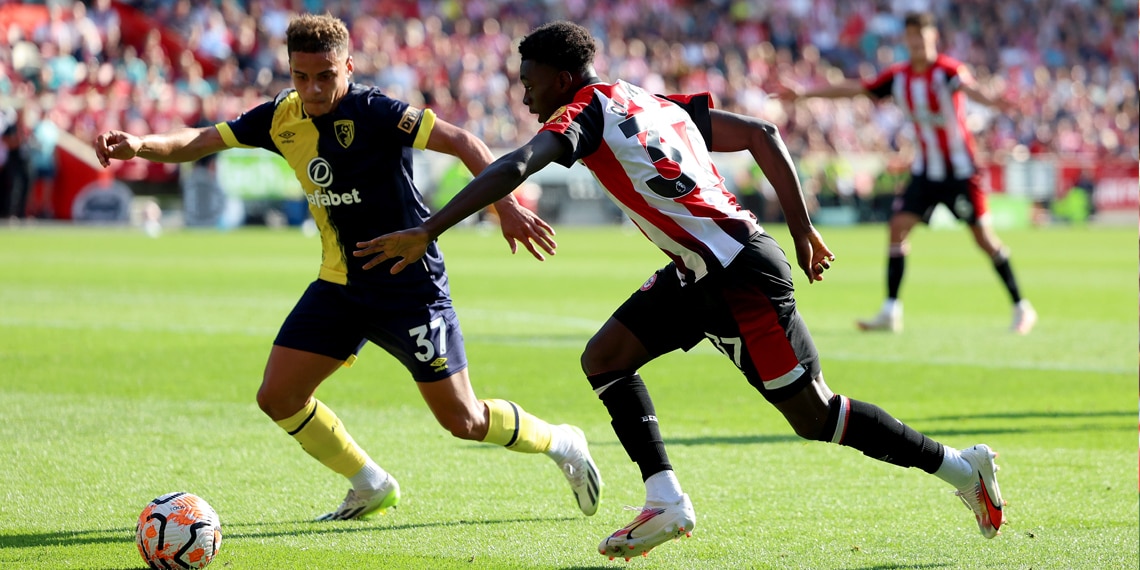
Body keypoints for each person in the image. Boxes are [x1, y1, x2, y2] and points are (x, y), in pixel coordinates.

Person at [355, 20, 1006, 560]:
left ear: (559, 79)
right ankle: (665, 499)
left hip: (740, 275)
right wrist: (802, 232)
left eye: (529, 85)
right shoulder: (645, 99)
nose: (525, 98)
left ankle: (961, 466)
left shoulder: (583, 112)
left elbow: (518, 162)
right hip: (700, 272)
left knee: (815, 416)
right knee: (605, 359)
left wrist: (430, 228)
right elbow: (761, 135)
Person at [93, 14, 601, 522]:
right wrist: (141, 145)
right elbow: (203, 140)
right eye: (301, 76)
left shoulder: (375, 110)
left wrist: (506, 208)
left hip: (409, 283)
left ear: (349, 68)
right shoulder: (280, 117)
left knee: (464, 420)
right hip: (340, 284)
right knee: (278, 396)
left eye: (325, 76)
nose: (313, 89)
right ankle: (370, 483)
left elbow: (465, 142)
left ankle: (562, 443)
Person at [779, 11, 1037, 334]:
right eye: (911, 36)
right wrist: (804, 94)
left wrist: (995, 102)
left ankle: (1021, 306)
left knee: (984, 239)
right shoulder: (898, 77)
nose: (916, 42)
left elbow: (972, 91)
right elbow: (857, 89)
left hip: (960, 173)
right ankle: (891, 310)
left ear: (933, 39)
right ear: (906, 40)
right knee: (897, 228)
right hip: (926, 172)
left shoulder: (948, 72)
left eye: (922, 36)